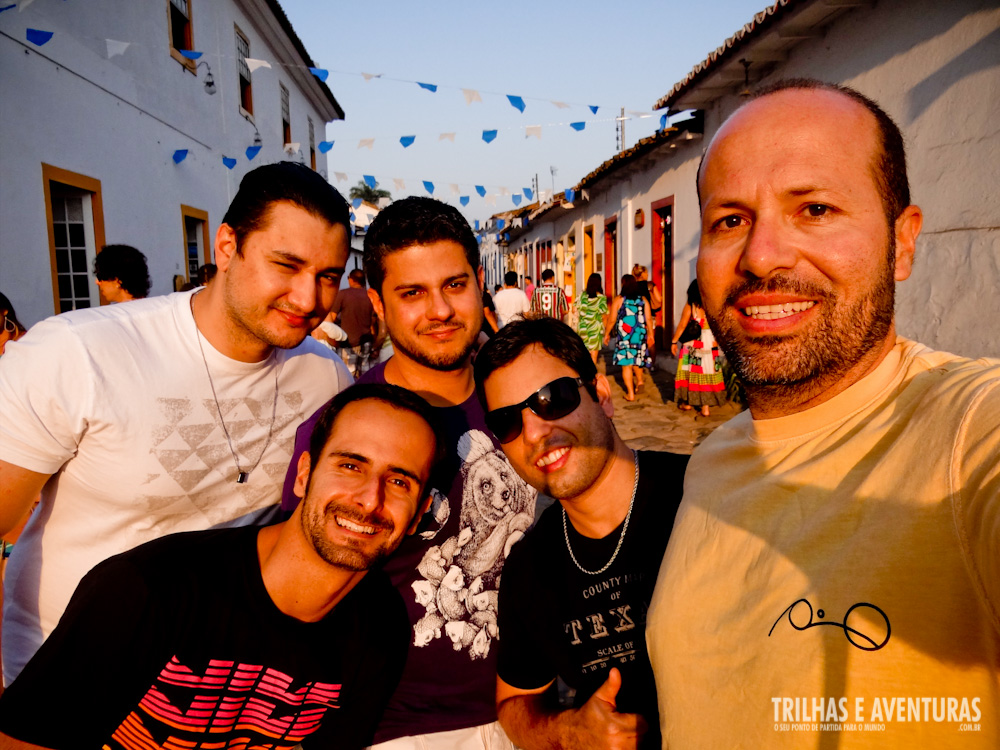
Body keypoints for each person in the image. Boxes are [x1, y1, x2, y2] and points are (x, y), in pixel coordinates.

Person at [647, 79, 1000, 749]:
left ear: (903, 242)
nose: (761, 256)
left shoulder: (966, 431)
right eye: (729, 220)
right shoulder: (715, 460)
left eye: (814, 208)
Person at [0, 161, 353, 685]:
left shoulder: (325, 376)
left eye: (327, 277)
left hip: (219, 693)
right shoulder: (75, 352)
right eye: (286, 265)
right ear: (227, 246)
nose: (309, 300)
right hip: (65, 681)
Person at [0, 385, 441, 749]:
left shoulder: (380, 627)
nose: (370, 499)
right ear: (304, 474)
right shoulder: (147, 590)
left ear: (419, 513)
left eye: (400, 481)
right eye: (349, 465)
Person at [281, 196, 536, 750]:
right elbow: (297, 593)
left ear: (478, 283)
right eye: (412, 293)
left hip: (532, 705)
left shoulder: (522, 402)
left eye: (454, 285)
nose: (440, 310)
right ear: (378, 301)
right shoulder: (346, 431)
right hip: (402, 727)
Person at [473, 318, 688, 750]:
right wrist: (570, 731)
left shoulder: (699, 497)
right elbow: (515, 700)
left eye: (552, 399)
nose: (535, 433)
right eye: (508, 422)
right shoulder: (530, 568)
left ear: (601, 395)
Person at [670, 279, 726, 417]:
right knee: (707, 373)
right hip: (710, 343)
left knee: (692, 373)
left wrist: (674, 341)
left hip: (694, 343)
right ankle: (705, 408)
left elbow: (683, 324)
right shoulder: (713, 305)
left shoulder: (692, 306)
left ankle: (688, 403)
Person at [604, 274, 652, 402]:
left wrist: (607, 333)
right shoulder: (643, 300)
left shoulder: (619, 300)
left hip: (625, 336)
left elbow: (612, 319)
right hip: (639, 335)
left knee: (626, 366)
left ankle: (630, 393)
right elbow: (648, 319)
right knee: (637, 358)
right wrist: (651, 335)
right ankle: (640, 381)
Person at [325, 268, 378, 378]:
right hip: (366, 342)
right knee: (365, 375)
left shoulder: (343, 294)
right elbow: (373, 320)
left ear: (351, 280)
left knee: (348, 376)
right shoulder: (369, 295)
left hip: (348, 343)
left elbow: (332, 318)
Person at [576, 272, 609, 364]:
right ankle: (591, 376)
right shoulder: (601, 298)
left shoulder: (582, 295)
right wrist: (605, 332)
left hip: (582, 328)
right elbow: (604, 316)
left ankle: (584, 375)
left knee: (584, 354)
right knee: (593, 355)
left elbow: (575, 309)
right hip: (595, 328)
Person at [631, 264, 662, 338]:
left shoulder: (632, 286)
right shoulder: (650, 284)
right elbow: (659, 299)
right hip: (650, 316)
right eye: (646, 272)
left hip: (635, 316)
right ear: (642, 274)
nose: (648, 274)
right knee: (650, 340)